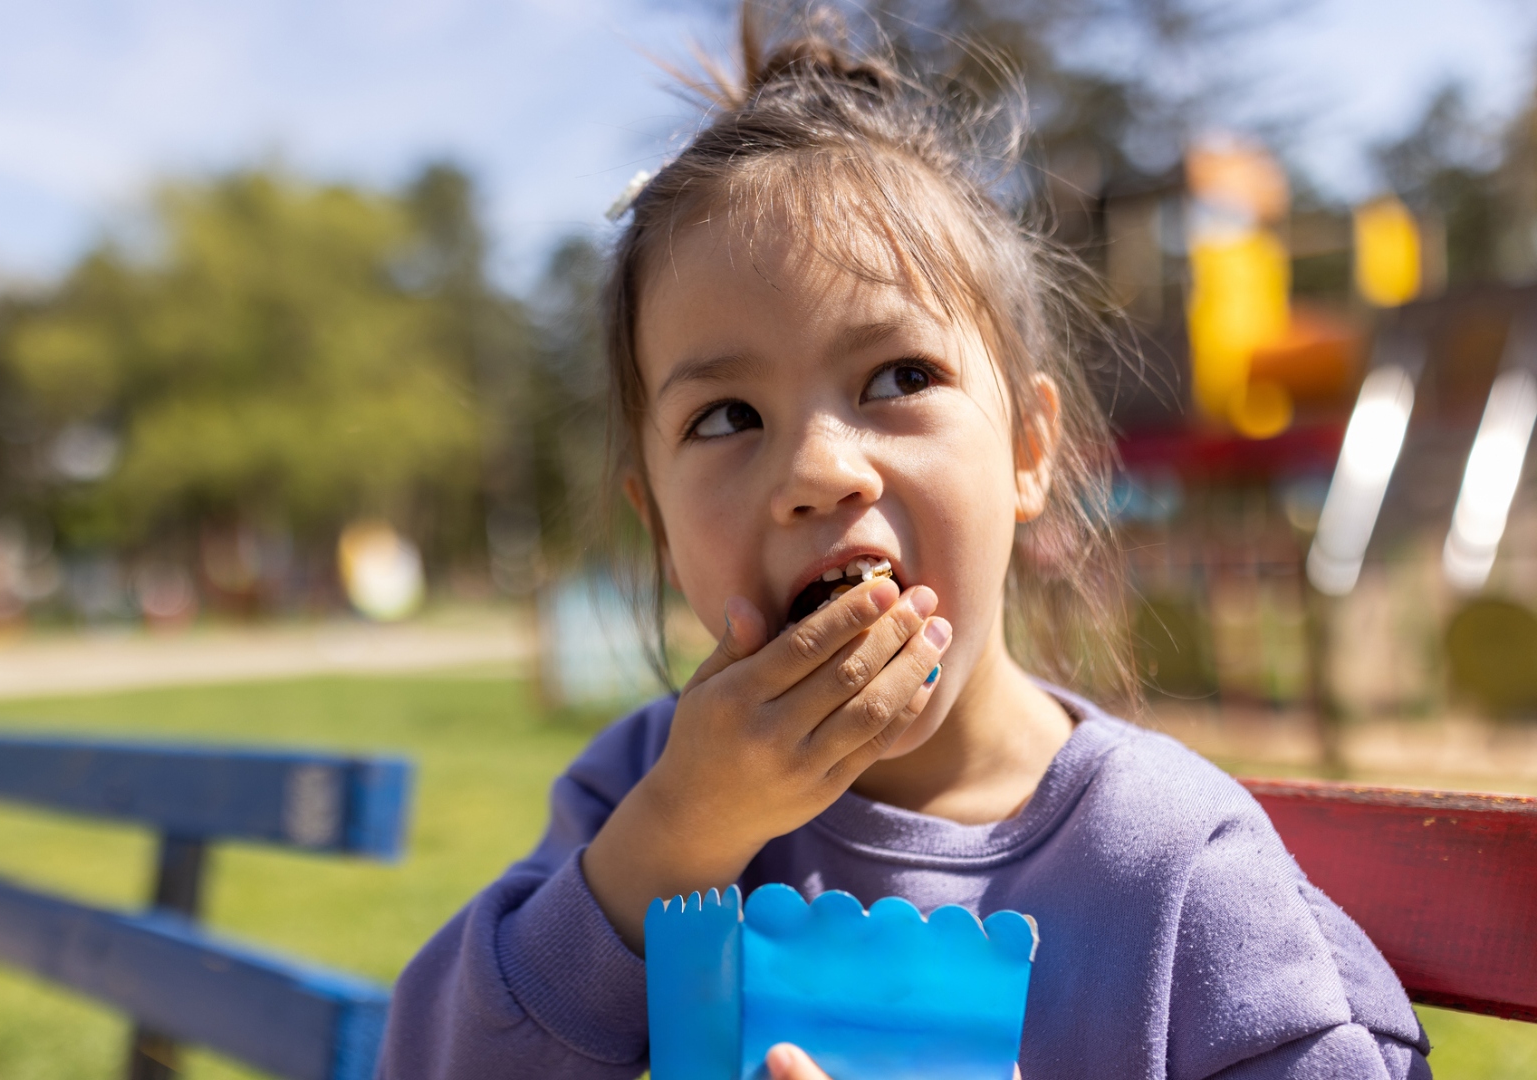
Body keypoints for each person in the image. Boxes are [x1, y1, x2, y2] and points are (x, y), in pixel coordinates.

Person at [379, 6, 1429, 1078]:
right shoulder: (639, 796)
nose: (818, 468)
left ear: (1028, 448)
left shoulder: (1174, 874)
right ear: (656, 523)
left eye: (897, 378)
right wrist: (675, 838)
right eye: (726, 416)